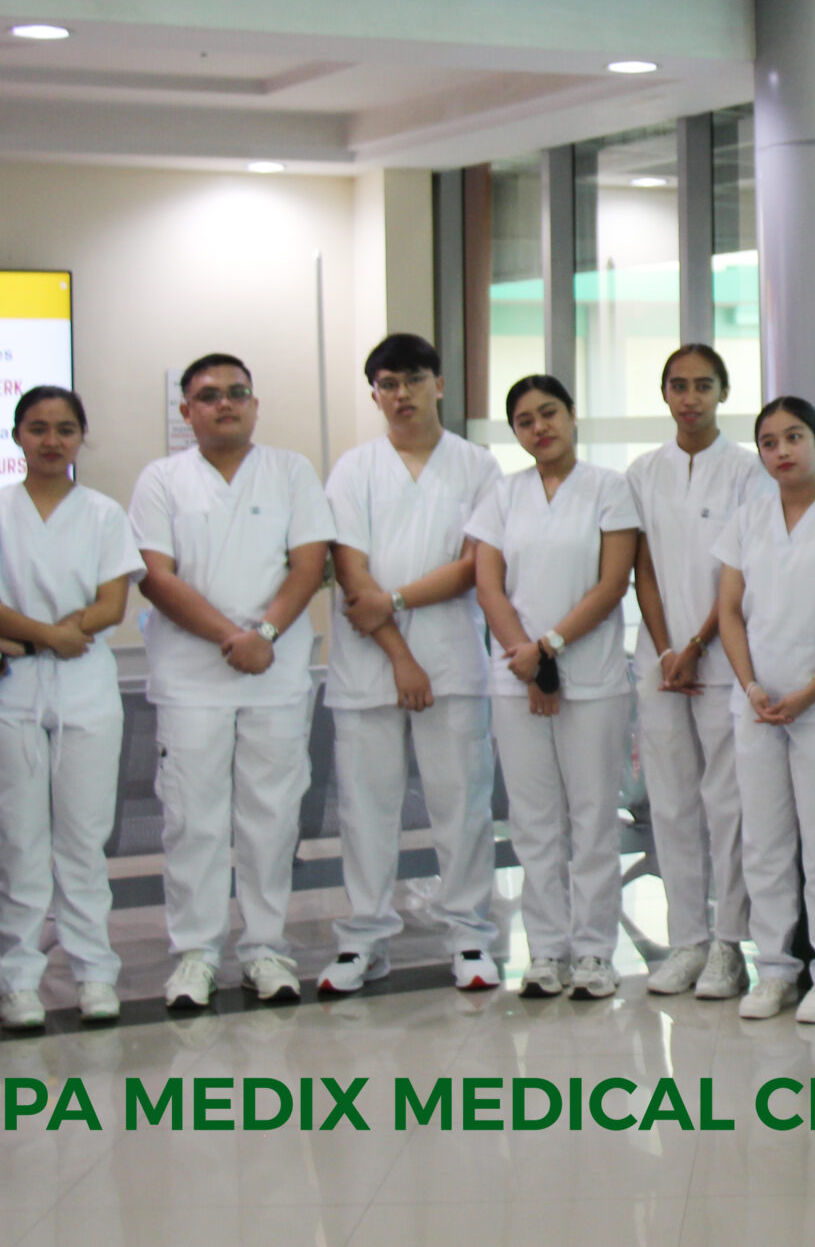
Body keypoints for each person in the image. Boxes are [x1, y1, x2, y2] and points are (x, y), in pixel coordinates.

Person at [131, 354, 335, 1011]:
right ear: (186, 411)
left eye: (238, 392)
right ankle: (195, 953)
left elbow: (309, 564)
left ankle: (265, 947)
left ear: (254, 403)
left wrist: (264, 634)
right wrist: (232, 637)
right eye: (209, 395)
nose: (225, 403)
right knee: (192, 819)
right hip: (192, 680)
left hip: (274, 674)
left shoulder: (290, 471)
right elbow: (156, 576)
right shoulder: (162, 480)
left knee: (271, 817)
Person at [318, 336, 503, 998]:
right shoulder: (354, 468)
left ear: (439, 385)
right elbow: (350, 570)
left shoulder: (477, 466)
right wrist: (400, 655)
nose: (402, 394)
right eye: (388, 383)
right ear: (374, 394)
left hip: (451, 662)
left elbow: (474, 565)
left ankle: (470, 935)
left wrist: (393, 602)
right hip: (370, 665)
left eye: (414, 380)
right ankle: (364, 939)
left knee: (462, 805)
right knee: (367, 810)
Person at [0, 387, 143, 1031]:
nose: (51, 441)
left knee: (83, 840)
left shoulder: (102, 513)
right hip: (10, 690)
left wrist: (39, 635)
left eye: (65, 429)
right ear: (17, 435)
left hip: (83, 686)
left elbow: (111, 604)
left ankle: (94, 970)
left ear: (80, 438)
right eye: (37, 428)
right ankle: (17, 978)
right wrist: (52, 635)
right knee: (17, 841)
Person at [470, 375, 641, 1000]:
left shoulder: (608, 488)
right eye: (525, 421)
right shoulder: (502, 494)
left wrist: (547, 650)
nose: (539, 428)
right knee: (533, 820)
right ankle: (546, 950)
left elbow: (612, 583)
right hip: (515, 679)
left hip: (590, 679)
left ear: (572, 414)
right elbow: (489, 586)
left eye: (549, 413)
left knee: (593, 818)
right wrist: (525, 657)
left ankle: (594, 951)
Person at [714, 396, 815, 1025]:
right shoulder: (746, 520)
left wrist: (813, 688)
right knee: (764, 841)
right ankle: (776, 970)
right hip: (756, 706)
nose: (781, 451)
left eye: (794, 437)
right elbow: (730, 611)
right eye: (768, 442)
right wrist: (751, 685)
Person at [625, 344, 767, 1000]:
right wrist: (665, 650)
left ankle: (729, 944)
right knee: (671, 800)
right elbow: (643, 567)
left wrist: (697, 643)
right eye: (679, 385)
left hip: (722, 656)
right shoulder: (643, 472)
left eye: (703, 385)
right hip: (661, 664)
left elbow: (739, 570)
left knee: (726, 801)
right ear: (664, 393)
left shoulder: (746, 470)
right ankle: (686, 938)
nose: (691, 398)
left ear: (723, 392)